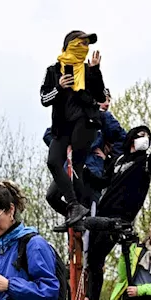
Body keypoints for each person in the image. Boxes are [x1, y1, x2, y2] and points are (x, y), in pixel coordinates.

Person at [81, 108, 151, 300]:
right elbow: (103, 182)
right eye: (141, 135)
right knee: (91, 260)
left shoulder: (146, 163)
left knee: (97, 256)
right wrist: (84, 171)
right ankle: (87, 297)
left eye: (148, 136)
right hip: (102, 213)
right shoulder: (119, 161)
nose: (144, 139)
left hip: (119, 219)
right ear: (132, 138)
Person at [41, 30, 106, 225]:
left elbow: (101, 97)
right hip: (61, 126)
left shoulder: (88, 70)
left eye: (88, 45)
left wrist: (95, 71)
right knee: (53, 161)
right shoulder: (53, 70)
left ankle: (79, 214)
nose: (85, 48)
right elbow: (44, 99)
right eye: (81, 43)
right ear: (69, 45)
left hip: (84, 123)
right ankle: (73, 208)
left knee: (76, 165)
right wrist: (59, 87)